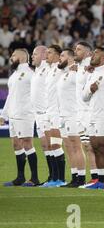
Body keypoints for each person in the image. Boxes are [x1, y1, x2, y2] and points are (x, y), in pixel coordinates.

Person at [1, 49, 39, 187]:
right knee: (16, 145)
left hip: (24, 114)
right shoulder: (14, 75)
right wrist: (3, 115)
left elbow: (37, 93)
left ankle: (34, 178)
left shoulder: (30, 73)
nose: (11, 58)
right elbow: (10, 97)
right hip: (13, 115)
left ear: (22, 57)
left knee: (27, 143)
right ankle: (20, 177)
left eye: (13, 55)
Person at [83, 46, 104, 189]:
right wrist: (90, 90)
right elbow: (83, 97)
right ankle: (101, 180)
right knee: (95, 148)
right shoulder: (91, 74)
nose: (92, 55)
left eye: (96, 53)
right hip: (92, 115)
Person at [56, 48, 86, 187]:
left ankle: (81, 178)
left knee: (76, 146)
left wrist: (79, 69)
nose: (59, 58)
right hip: (63, 115)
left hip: (73, 114)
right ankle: (74, 176)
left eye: (62, 55)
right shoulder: (64, 74)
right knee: (69, 147)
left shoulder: (75, 73)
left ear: (71, 58)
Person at [72, 41, 98, 188]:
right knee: (87, 146)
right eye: (75, 49)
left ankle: (98, 177)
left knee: (91, 147)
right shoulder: (81, 67)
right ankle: (95, 177)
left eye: (79, 49)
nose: (76, 51)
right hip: (80, 113)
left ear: (88, 53)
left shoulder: (91, 68)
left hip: (90, 112)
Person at [41, 45, 66, 187]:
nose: (47, 55)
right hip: (48, 112)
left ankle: (61, 179)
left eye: (50, 53)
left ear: (58, 55)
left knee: (56, 144)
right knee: (50, 145)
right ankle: (54, 178)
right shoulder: (49, 70)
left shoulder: (61, 69)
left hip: (57, 112)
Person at [30, 45, 51, 186]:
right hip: (38, 114)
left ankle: (57, 177)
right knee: (45, 146)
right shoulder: (37, 70)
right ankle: (52, 176)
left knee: (52, 145)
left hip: (47, 113)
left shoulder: (48, 69)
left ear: (44, 55)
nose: (32, 56)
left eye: (35, 54)